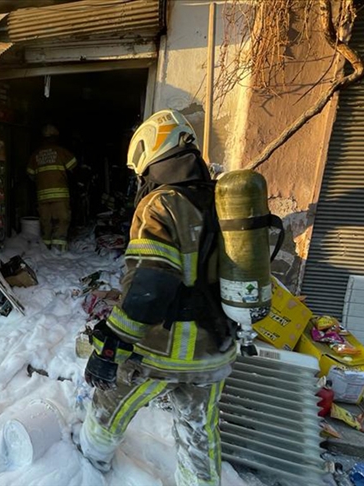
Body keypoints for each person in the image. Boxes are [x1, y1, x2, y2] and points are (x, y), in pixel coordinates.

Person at [79, 109, 237, 486]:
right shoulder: (226, 199)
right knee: (200, 432)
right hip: (216, 348)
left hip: (161, 351)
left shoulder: (162, 204)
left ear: (151, 156)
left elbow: (151, 285)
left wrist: (110, 346)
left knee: (109, 409)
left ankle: (85, 464)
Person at [26, 125, 77, 251]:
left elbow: (30, 174)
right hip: (60, 195)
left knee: (46, 223)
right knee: (62, 220)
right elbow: (74, 166)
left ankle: (46, 248)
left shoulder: (35, 155)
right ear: (56, 138)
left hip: (42, 196)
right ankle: (59, 248)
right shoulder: (61, 151)